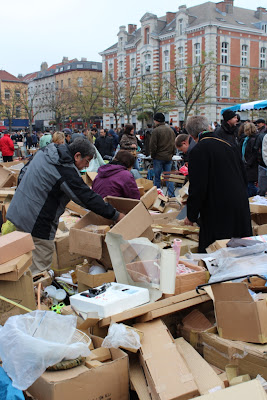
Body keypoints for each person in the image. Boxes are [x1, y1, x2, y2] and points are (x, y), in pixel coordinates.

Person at [6, 137, 124, 274]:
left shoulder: (47, 151)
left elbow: (23, 172)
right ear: (77, 156)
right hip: (38, 222)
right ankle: (35, 293)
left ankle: (23, 291)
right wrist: (116, 215)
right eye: (87, 161)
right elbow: (85, 197)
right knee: (39, 269)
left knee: (24, 264)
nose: (87, 166)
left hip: (19, 211)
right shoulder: (64, 168)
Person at [184, 116, 252, 252]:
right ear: (208, 127)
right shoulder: (229, 145)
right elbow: (244, 176)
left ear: (191, 135)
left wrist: (191, 215)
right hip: (239, 203)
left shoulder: (199, 150)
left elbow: (198, 187)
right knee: (240, 251)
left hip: (218, 208)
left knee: (216, 252)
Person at [150, 113, 176, 197]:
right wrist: (172, 154)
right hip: (168, 157)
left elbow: (153, 145)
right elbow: (173, 143)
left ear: (156, 120)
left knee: (157, 178)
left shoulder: (156, 131)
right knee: (168, 177)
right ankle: (172, 195)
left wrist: (153, 155)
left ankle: (157, 196)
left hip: (158, 157)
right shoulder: (171, 130)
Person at [239, 122, 258, 197]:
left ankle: (255, 196)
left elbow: (254, 154)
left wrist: (248, 163)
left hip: (250, 166)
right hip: (246, 165)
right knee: (248, 184)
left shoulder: (252, 140)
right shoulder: (245, 140)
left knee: (250, 185)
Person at [254, 119, 267, 196]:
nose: (257, 124)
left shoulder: (261, 134)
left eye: (259, 123)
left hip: (262, 164)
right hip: (263, 165)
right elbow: (264, 152)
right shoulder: (264, 136)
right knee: (262, 189)